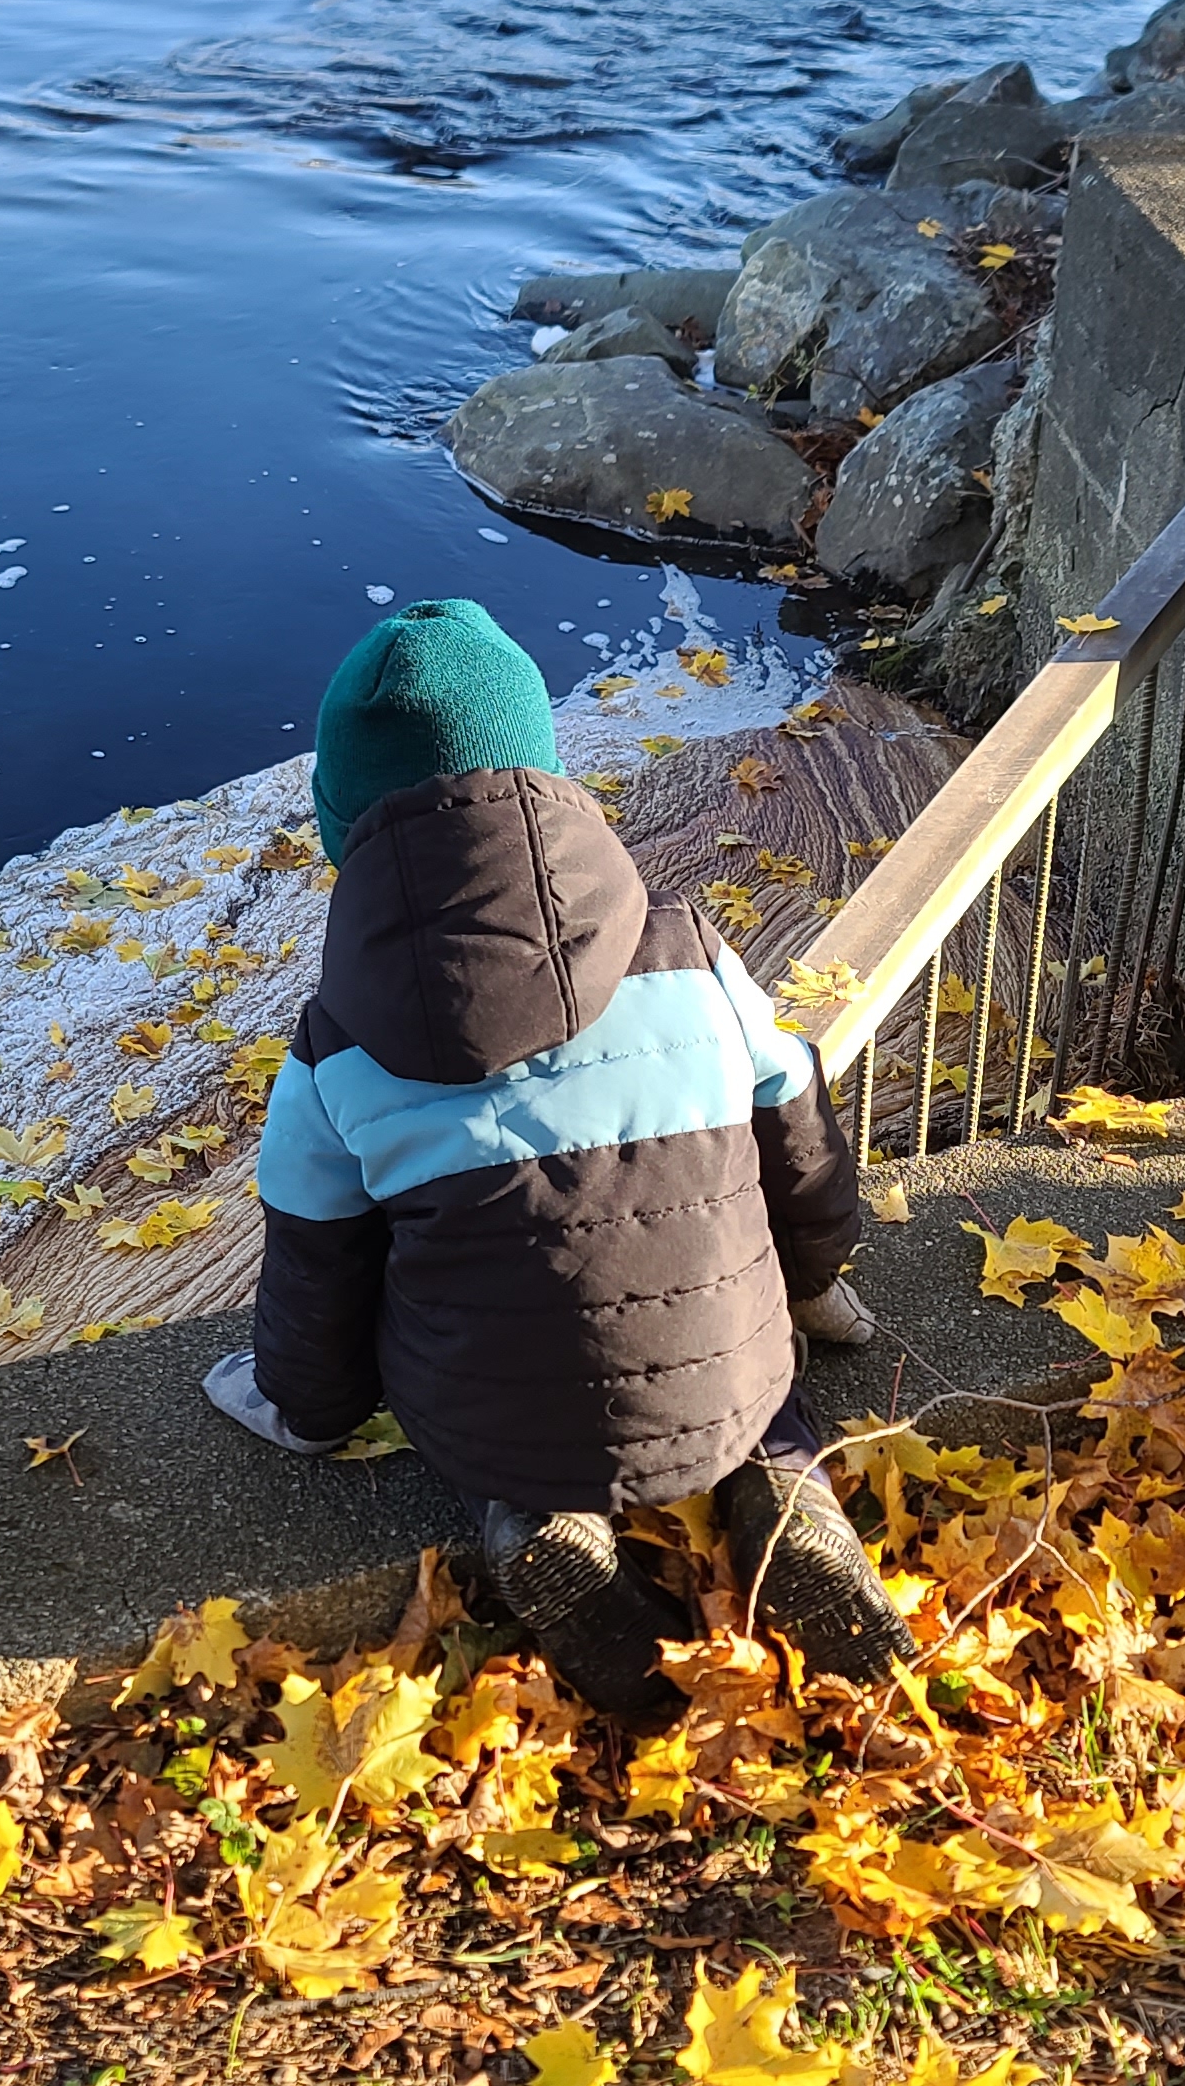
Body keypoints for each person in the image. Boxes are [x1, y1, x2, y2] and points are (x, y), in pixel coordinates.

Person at [195, 598, 913, 1719]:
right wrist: (817, 1282)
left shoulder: (333, 1046)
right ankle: (790, 1496)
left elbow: (314, 1266)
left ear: (344, 826)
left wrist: (303, 1408)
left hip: (490, 1410)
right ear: (543, 781)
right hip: (727, 1369)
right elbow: (797, 1138)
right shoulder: (689, 949)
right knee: (754, 1385)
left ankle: (538, 1519)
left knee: (493, 1390)